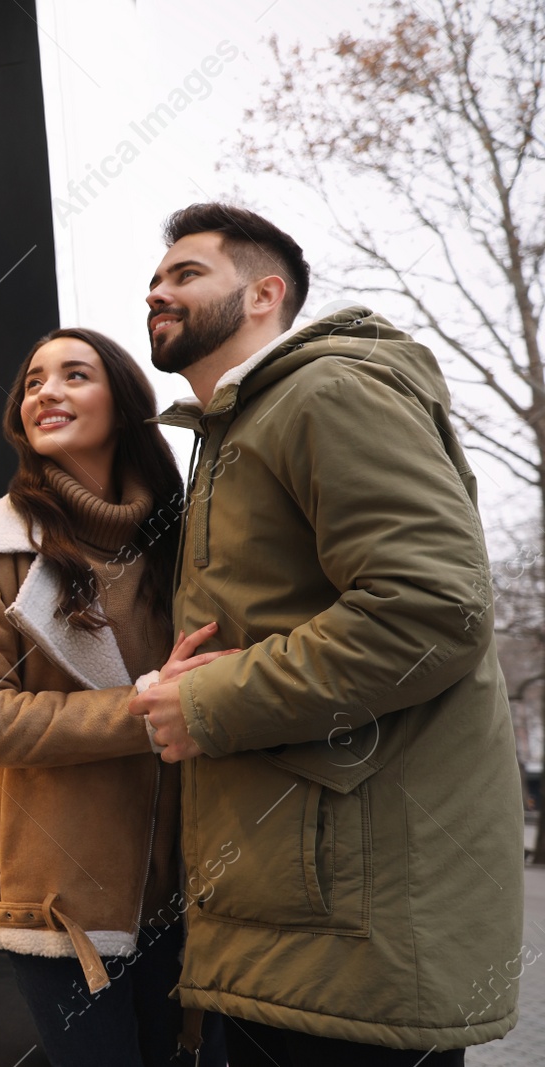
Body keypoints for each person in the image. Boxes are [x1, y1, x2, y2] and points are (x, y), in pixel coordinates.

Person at [128, 202, 522, 1066]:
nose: (157, 291)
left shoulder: (327, 390)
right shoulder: (239, 429)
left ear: (266, 293)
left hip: (346, 934)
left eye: (186, 274)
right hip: (291, 923)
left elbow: (431, 609)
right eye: (155, 278)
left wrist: (205, 701)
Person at [0, 327, 232, 1066]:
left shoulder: (183, 539)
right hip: (62, 907)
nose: (46, 393)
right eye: (34, 381)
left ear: (122, 403)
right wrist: (138, 706)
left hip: (191, 894)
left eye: (74, 375)